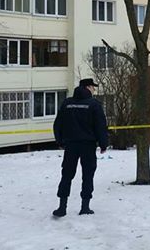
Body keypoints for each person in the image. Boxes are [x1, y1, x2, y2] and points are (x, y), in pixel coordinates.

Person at [52, 78, 109, 217]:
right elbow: (100, 126)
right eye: (93, 87)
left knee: (66, 174)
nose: (94, 90)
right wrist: (103, 144)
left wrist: (60, 141)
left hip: (70, 145)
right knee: (88, 175)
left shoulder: (67, 103)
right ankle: (85, 207)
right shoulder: (94, 104)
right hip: (88, 145)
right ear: (87, 87)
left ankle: (62, 207)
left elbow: (58, 124)